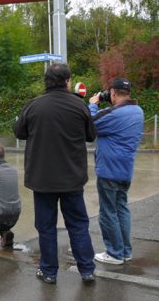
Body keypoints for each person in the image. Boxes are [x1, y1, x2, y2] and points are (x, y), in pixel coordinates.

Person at [13, 63, 96, 284]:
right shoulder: (79, 106)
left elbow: (19, 132)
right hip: (72, 178)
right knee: (78, 224)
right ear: (68, 81)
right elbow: (91, 135)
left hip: (42, 180)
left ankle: (49, 272)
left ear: (46, 81)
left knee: (46, 227)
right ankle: (87, 269)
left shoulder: (33, 106)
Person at [89, 78, 144, 265]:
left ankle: (114, 253)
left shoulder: (114, 114)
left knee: (107, 213)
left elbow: (90, 125)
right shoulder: (138, 111)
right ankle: (125, 251)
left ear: (112, 93)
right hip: (125, 170)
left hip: (109, 171)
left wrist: (93, 105)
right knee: (122, 210)